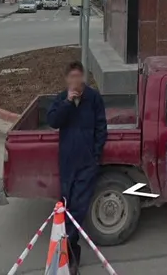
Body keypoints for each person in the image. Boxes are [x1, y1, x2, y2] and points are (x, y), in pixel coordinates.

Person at [45, 61, 107, 273]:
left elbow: (101, 127)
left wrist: (95, 155)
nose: (75, 81)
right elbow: (53, 121)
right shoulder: (62, 98)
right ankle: (69, 253)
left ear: (83, 78)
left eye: (78, 76)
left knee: (79, 209)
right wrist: (67, 103)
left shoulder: (93, 98)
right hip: (67, 163)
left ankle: (70, 252)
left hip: (87, 164)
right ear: (66, 80)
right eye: (71, 77)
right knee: (66, 206)